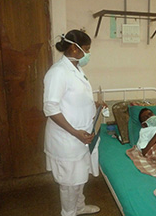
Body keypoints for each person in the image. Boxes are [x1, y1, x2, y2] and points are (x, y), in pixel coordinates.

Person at [43, 29, 103, 216]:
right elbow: (51, 108)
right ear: (74, 48)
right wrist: (75, 132)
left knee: (79, 178)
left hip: (82, 136)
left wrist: (95, 105)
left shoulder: (77, 68)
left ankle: (79, 207)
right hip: (67, 139)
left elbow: (73, 99)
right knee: (69, 183)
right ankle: (68, 212)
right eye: (86, 49)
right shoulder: (58, 73)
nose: (88, 53)